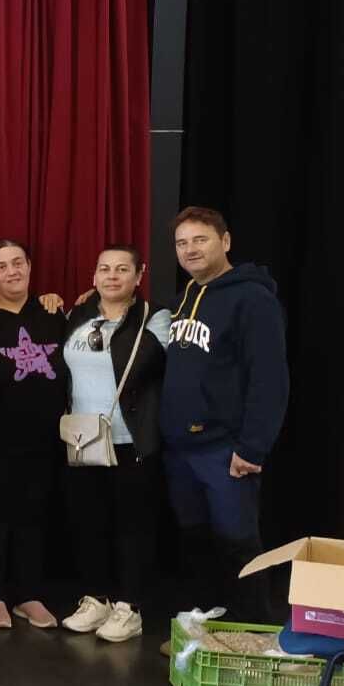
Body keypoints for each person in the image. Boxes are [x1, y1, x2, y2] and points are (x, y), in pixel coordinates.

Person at [161, 207, 288, 624]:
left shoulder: (253, 297)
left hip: (225, 447)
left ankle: (253, 633)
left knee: (237, 542)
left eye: (200, 239)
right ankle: (202, 630)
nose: (190, 249)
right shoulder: (186, 296)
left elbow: (269, 378)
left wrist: (252, 446)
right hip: (181, 448)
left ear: (226, 241)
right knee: (196, 541)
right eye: (182, 242)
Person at [56, 245, 170, 643]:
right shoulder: (78, 315)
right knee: (89, 523)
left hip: (130, 440)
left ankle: (130, 606)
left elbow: (144, 364)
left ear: (140, 275)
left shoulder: (153, 318)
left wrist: (113, 326)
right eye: (104, 269)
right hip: (83, 439)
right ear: (93, 277)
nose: (112, 276)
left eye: (123, 269)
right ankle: (96, 599)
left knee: (132, 527)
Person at [0, 239, 67, 630]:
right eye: (1, 266)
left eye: (17, 263)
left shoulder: (54, 313)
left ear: (30, 266)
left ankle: (29, 595)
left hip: (44, 439)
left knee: (34, 517)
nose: (12, 271)